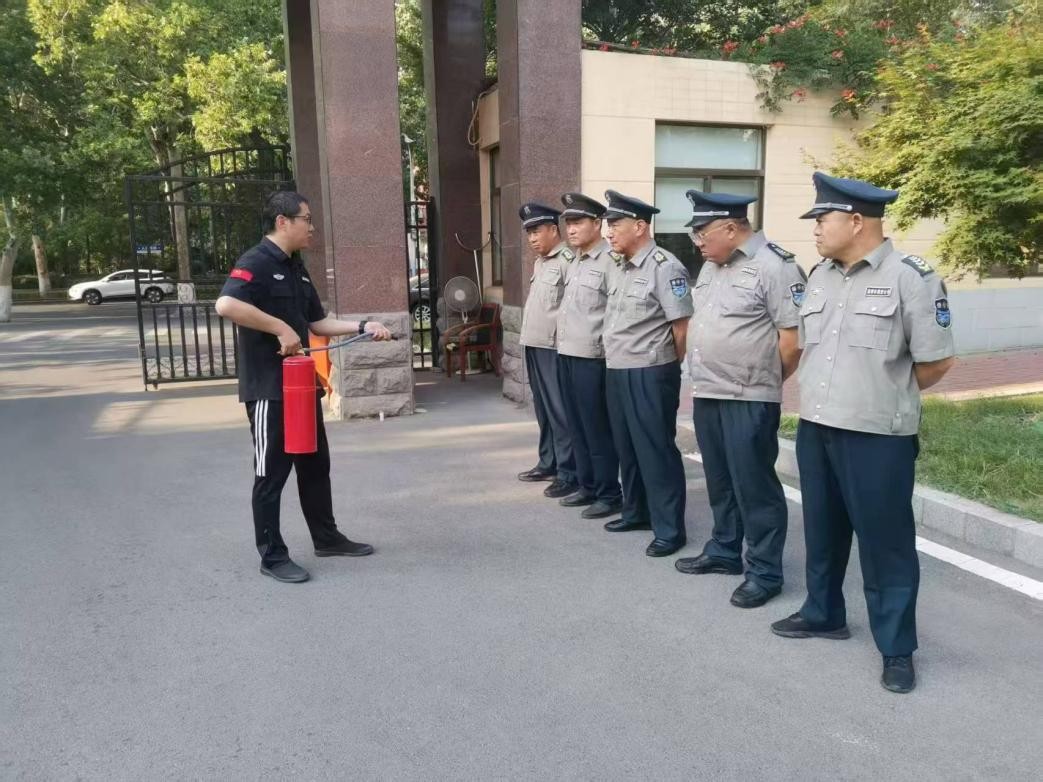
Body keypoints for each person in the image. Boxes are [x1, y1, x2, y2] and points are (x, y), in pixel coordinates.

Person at [769, 172, 955, 693]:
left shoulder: (911, 278)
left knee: (885, 544)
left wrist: (884, 395)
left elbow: (936, 362)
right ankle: (823, 612)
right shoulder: (821, 276)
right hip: (818, 426)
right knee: (822, 530)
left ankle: (896, 647)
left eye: (821, 219)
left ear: (856, 221)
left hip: (877, 435)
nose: (814, 229)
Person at [214, 190, 393, 584]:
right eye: (307, 219)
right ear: (283, 222)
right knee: (270, 473)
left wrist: (363, 326)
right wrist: (279, 327)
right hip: (269, 389)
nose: (312, 227)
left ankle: (326, 538)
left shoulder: (297, 266)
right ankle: (272, 555)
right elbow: (225, 305)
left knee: (314, 465)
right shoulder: (256, 262)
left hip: (301, 386)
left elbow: (317, 323)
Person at [674, 191, 806, 609]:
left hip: (749, 396)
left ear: (731, 228)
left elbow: (792, 340)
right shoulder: (713, 264)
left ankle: (765, 572)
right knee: (720, 479)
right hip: (709, 390)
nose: (697, 242)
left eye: (702, 233)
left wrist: (765, 379)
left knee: (754, 485)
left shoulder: (776, 266)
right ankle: (725, 549)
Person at [601, 190, 694, 557]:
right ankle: (636, 511)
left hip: (651, 371)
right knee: (627, 447)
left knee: (656, 449)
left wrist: (668, 368)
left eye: (615, 224)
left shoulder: (665, 266)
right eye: (608, 225)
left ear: (639, 226)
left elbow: (681, 328)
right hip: (618, 367)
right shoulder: (620, 267)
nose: (609, 232)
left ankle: (670, 529)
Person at [554, 192, 624, 519]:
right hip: (567, 353)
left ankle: (609, 493)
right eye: (568, 223)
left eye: (578, 222)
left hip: (593, 358)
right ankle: (588, 485)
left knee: (597, 428)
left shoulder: (611, 261)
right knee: (577, 425)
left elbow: (615, 312)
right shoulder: (575, 260)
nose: (570, 229)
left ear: (597, 224)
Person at [516, 203, 578, 499]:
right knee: (543, 409)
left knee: (560, 411)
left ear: (554, 230)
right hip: (535, 344)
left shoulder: (568, 260)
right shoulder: (541, 262)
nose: (532, 238)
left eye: (536, 231)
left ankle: (568, 472)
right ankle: (548, 462)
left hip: (554, 348)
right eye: (528, 233)